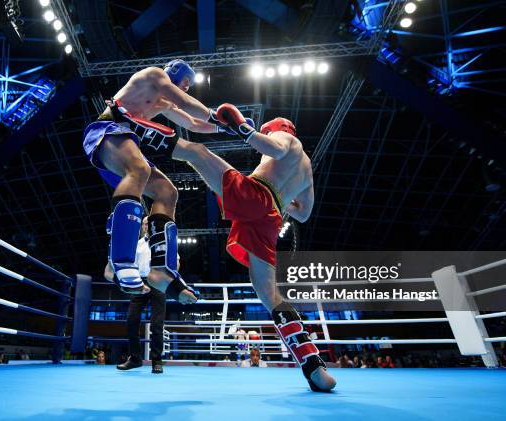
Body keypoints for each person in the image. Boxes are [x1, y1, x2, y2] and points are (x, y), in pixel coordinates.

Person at [171, 105, 336, 392]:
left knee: (196, 152)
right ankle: (313, 365)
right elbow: (304, 213)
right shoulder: (307, 170)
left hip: (256, 195)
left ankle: (135, 133)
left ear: (276, 130)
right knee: (268, 293)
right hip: (271, 218)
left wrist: (245, 131)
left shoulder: (288, 140)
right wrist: (286, 200)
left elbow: (276, 149)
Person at [83, 59, 244, 303]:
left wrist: (230, 129)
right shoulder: (154, 74)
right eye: (187, 82)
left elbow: (192, 123)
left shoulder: (163, 103)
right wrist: (218, 116)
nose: (187, 88)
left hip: (126, 142)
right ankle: (121, 260)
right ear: (176, 73)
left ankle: (159, 270)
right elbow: (186, 103)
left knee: (167, 193)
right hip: (106, 132)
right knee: (139, 170)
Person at [111, 216, 167, 374]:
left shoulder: (162, 242)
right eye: (144, 223)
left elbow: (175, 261)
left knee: (157, 323)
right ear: (141, 227)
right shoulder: (137, 245)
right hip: (140, 282)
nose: (146, 226)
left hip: (158, 282)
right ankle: (135, 358)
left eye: (148, 223)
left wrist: (168, 278)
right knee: (132, 319)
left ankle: (157, 361)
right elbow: (130, 266)